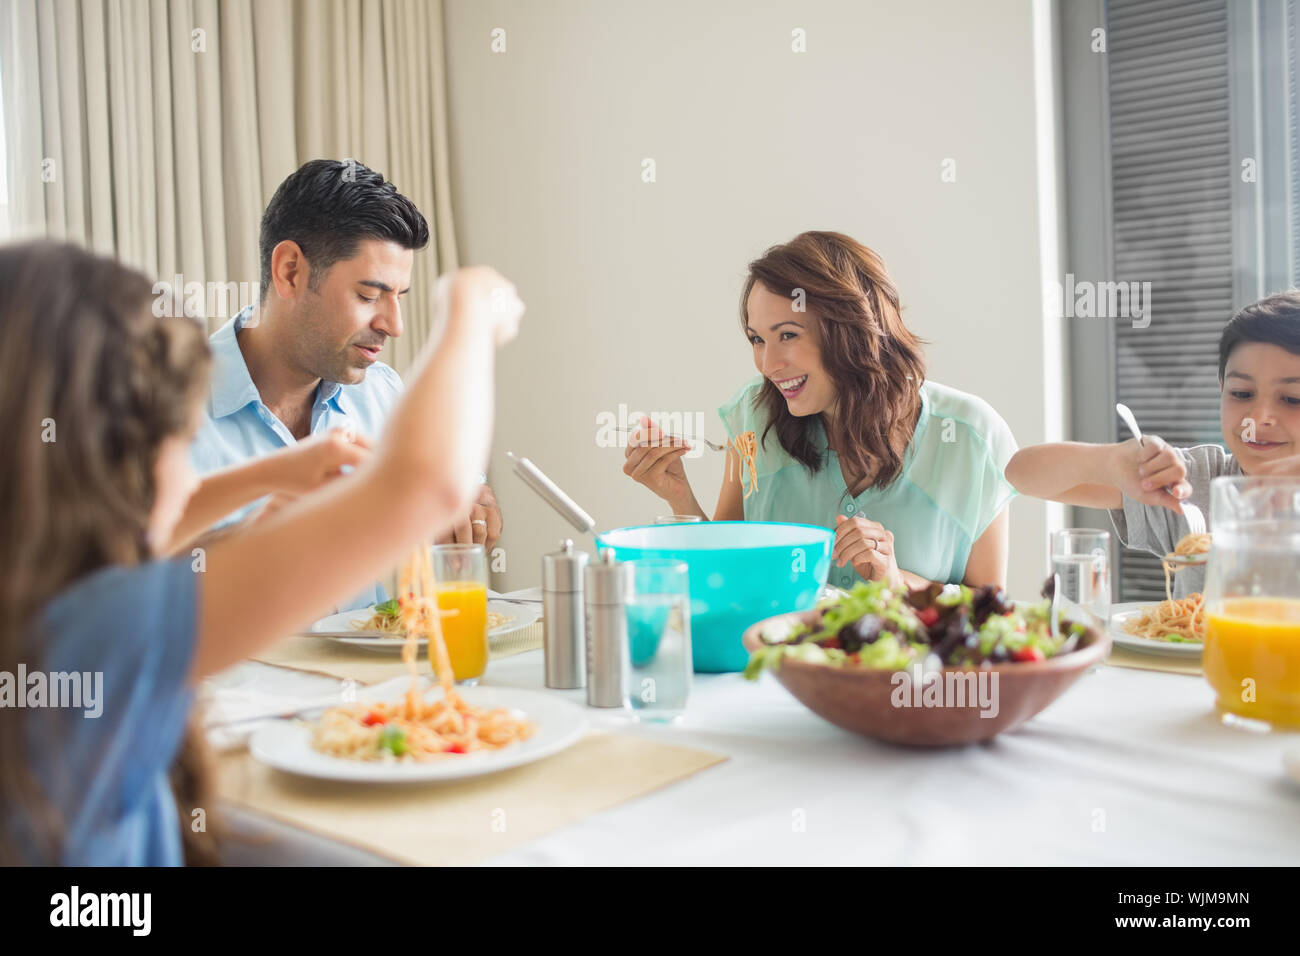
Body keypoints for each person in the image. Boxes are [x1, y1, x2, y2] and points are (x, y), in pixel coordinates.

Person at [0, 240, 522, 865]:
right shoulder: (103, 630)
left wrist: (264, 476)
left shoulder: (41, 596)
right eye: (181, 437)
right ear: (119, 451)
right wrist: (468, 306)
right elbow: (426, 484)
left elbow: (140, 535)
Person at [623, 231, 1018, 592]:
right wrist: (680, 498)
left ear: (852, 329)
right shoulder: (751, 417)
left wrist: (896, 583)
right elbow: (728, 576)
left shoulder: (975, 440)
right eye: (757, 339)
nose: (767, 363)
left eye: (788, 335)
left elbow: (989, 613)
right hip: (781, 669)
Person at [191, 159, 503, 608]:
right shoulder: (161, 414)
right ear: (290, 272)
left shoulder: (385, 395)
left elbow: (468, 498)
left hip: (385, 681)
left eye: (399, 298)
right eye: (369, 295)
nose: (394, 325)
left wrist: (473, 512)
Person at [1006, 290, 1300, 598]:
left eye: (1293, 399)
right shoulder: (1193, 484)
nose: (1260, 417)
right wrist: (1109, 462)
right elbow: (1020, 475)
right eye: (1241, 394)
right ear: (1221, 388)